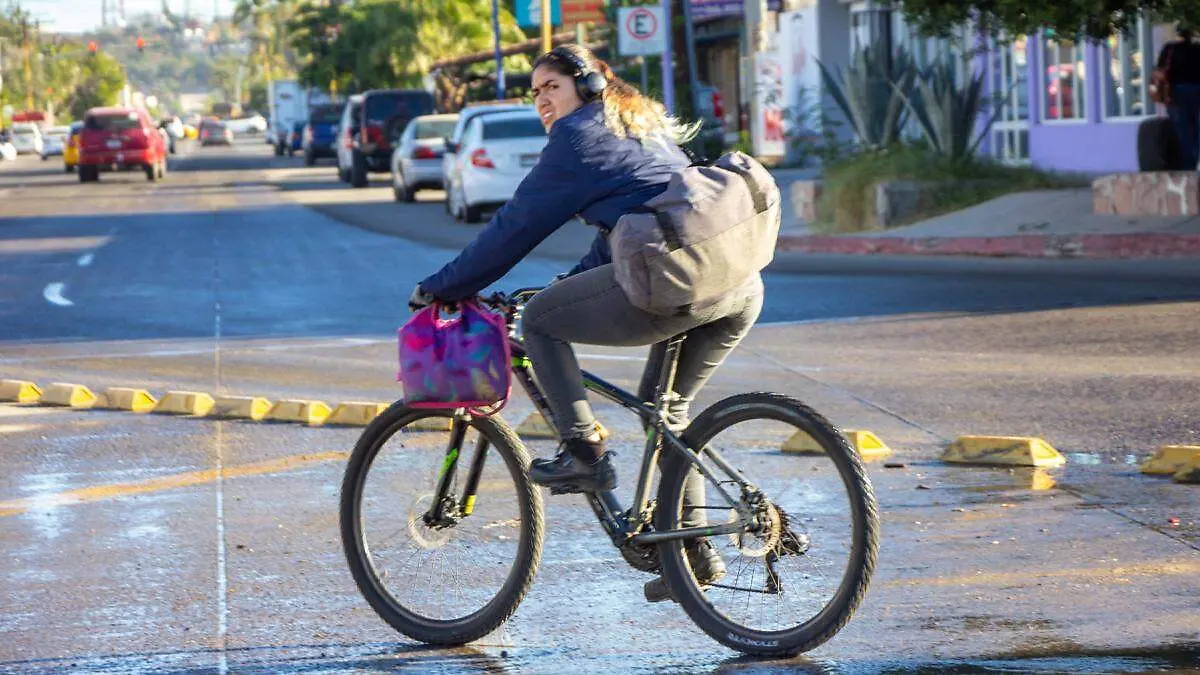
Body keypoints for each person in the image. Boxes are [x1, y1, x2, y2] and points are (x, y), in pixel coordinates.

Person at [409, 44, 765, 599]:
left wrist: (442, 287)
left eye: (551, 86)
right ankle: (692, 551)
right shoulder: (638, 125)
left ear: (592, 83)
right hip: (735, 284)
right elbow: (631, 232)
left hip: (676, 277)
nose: (541, 101)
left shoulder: (576, 138)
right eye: (534, 93)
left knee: (541, 322)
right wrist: (565, 285)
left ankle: (584, 455)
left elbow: (514, 229)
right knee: (665, 406)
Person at [1157, 25, 1200, 170]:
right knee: (1197, 133)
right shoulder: (1197, 49)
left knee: (1183, 133)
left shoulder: (1169, 49)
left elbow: (1159, 71)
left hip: (1175, 94)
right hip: (1196, 91)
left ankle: (1189, 169)